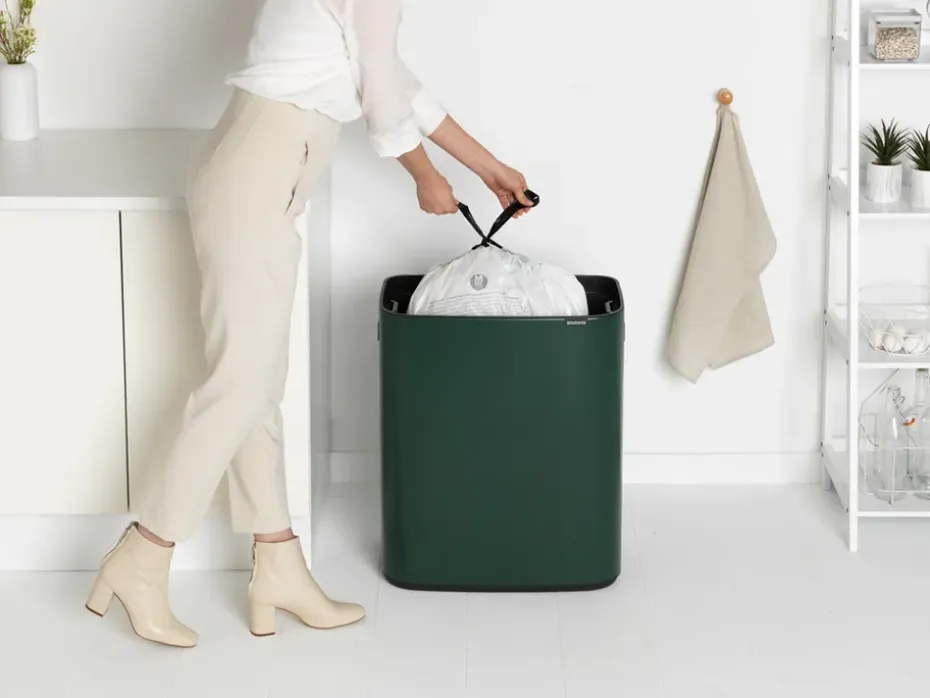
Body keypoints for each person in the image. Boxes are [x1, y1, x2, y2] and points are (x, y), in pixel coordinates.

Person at [84, 0, 532, 648]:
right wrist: (426, 177)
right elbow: (382, 91)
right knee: (240, 382)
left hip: (263, 171)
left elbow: (396, 79)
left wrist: (489, 169)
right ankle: (143, 554)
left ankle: (279, 567)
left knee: (258, 382)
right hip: (255, 170)